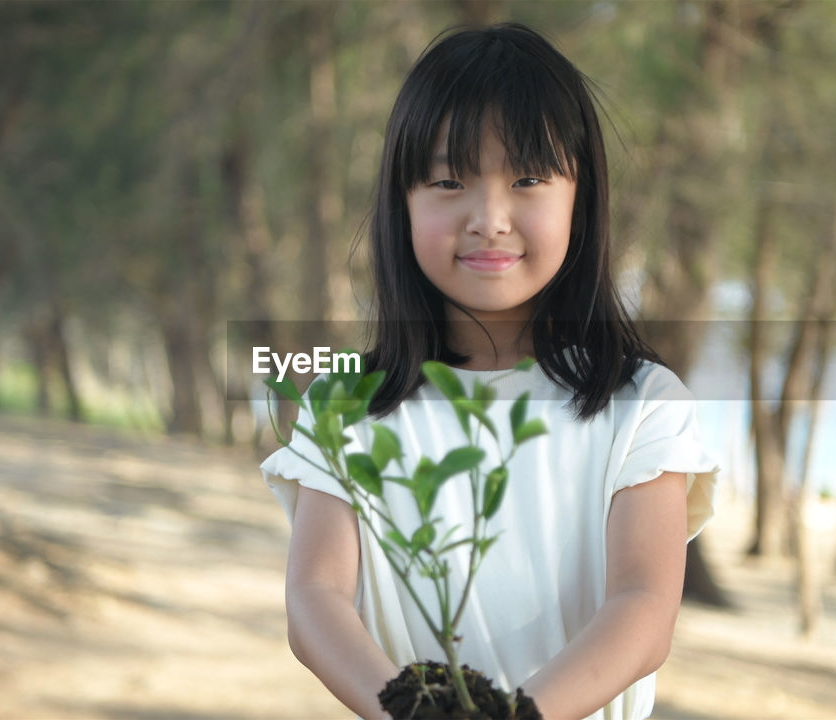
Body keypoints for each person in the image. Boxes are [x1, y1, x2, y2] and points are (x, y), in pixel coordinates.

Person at [261, 23, 720, 720]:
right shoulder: (345, 405)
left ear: (581, 198)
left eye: (528, 179)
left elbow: (643, 605)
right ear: (401, 204)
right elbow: (315, 598)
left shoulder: (644, 404)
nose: (489, 219)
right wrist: (410, 709)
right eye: (448, 181)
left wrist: (512, 715)